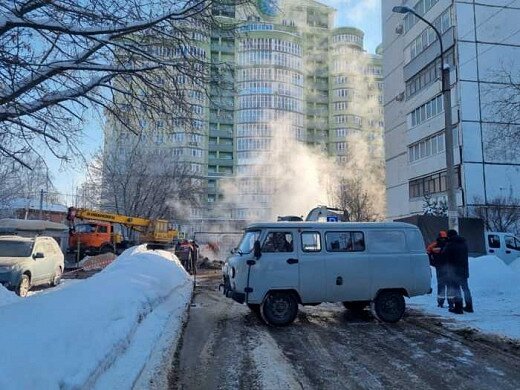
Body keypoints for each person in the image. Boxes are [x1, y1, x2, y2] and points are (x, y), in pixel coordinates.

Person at [442, 229, 473, 314]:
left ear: (449, 236)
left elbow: (444, 255)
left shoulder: (450, 245)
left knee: (456, 289)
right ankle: (469, 306)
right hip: (464, 270)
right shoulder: (464, 243)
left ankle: (458, 308)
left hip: (454, 271)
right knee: (465, 289)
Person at [426, 231, 449, 308]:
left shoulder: (434, 245)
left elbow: (428, 252)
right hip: (449, 267)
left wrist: (432, 262)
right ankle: (451, 303)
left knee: (441, 285)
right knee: (449, 285)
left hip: (439, 267)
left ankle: (440, 302)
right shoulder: (449, 244)